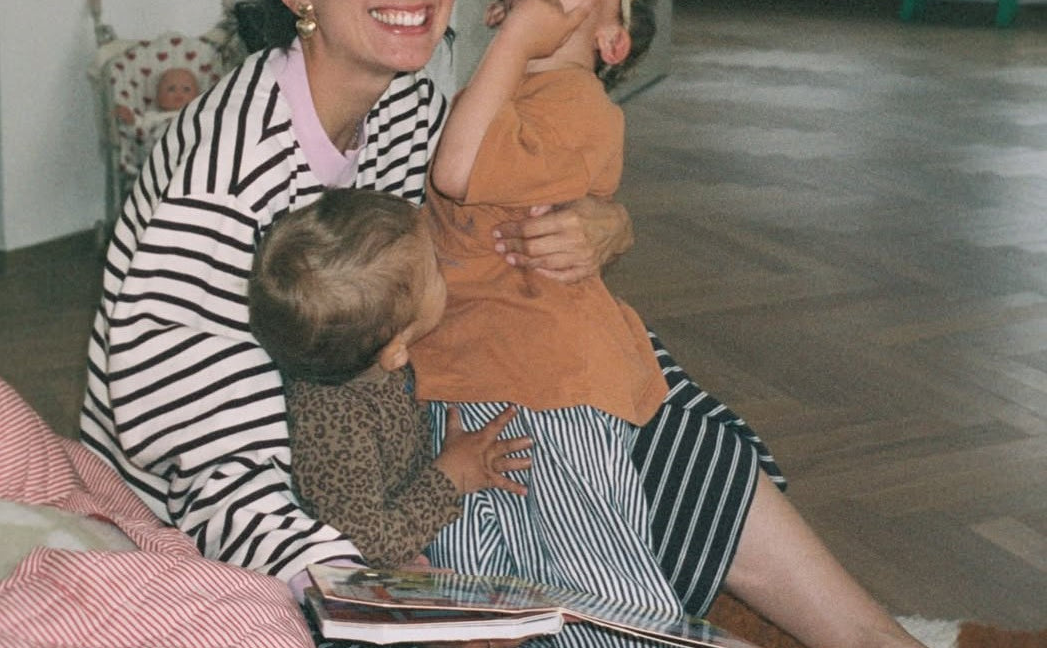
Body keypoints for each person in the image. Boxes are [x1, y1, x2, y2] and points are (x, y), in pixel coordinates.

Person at [77, 0, 926, 646]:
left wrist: (602, 222)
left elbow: (489, 255)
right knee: (558, 581)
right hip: (273, 528)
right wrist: (420, 596)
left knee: (616, 391)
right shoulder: (214, 190)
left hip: (407, 441)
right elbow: (220, 493)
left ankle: (870, 637)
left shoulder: (411, 99)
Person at [409, 0, 686, 634]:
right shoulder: (506, 94)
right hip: (468, 382)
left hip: (550, 390)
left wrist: (518, 39)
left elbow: (457, 172)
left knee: (601, 592)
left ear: (611, 43)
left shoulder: (579, 104)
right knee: (475, 590)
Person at [247, 187, 532, 569]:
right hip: (389, 560)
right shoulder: (335, 428)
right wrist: (449, 476)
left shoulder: (359, 356)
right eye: (434, 271)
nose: (443, 264)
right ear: (396, 349)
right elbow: (368, 543)